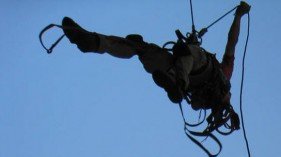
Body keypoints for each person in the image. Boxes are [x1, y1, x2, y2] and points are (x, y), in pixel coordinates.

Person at [61, 2, 251, 109]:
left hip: (194, 68)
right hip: (178, 72)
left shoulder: (224, 73)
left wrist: (238, 16)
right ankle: (92, 41)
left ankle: (178, 84)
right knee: (140, 48)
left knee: (190, 53)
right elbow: (231, 43)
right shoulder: (221, 78)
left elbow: (231, 41)